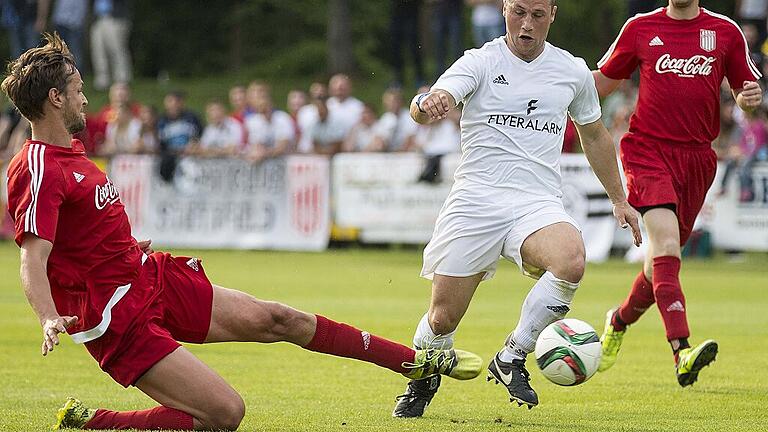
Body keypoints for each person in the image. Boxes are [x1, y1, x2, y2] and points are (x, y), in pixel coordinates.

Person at [1, 34, 483, 431]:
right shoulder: (39, 166)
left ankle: (414, 362)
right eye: (78, 88)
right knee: (224, 415)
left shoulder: (73, 152)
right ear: (56, 98)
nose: (86, 97)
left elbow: (77, 237)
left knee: (280, 319)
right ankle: (95, 424)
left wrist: (120, 249)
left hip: (146, 276)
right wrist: (48, 316)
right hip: (115, 317)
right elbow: (32, 256)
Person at [392, 0, 642, 418]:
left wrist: (620, 198)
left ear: (553, 15)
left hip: (536, 202)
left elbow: (594, 135)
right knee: (441, 318)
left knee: (571, 259)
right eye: (518, 12)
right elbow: (431, 102)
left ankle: (512, 355)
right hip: (475, 201)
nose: (526, 25)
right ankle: (426, 373)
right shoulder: (480, 61)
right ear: (505, 9)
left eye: (537, 15)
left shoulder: (571, 70)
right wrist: (425, 105)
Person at [594, 0, 762, 387]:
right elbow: (603, 82)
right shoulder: (640, 28)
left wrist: (749, 103)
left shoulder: (725, 31)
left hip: (698, 160)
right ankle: (681, 351)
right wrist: (552, 81)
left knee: (659, 265)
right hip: (647, 150)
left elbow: (744, 93)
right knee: (667, 244)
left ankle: (617, 321)